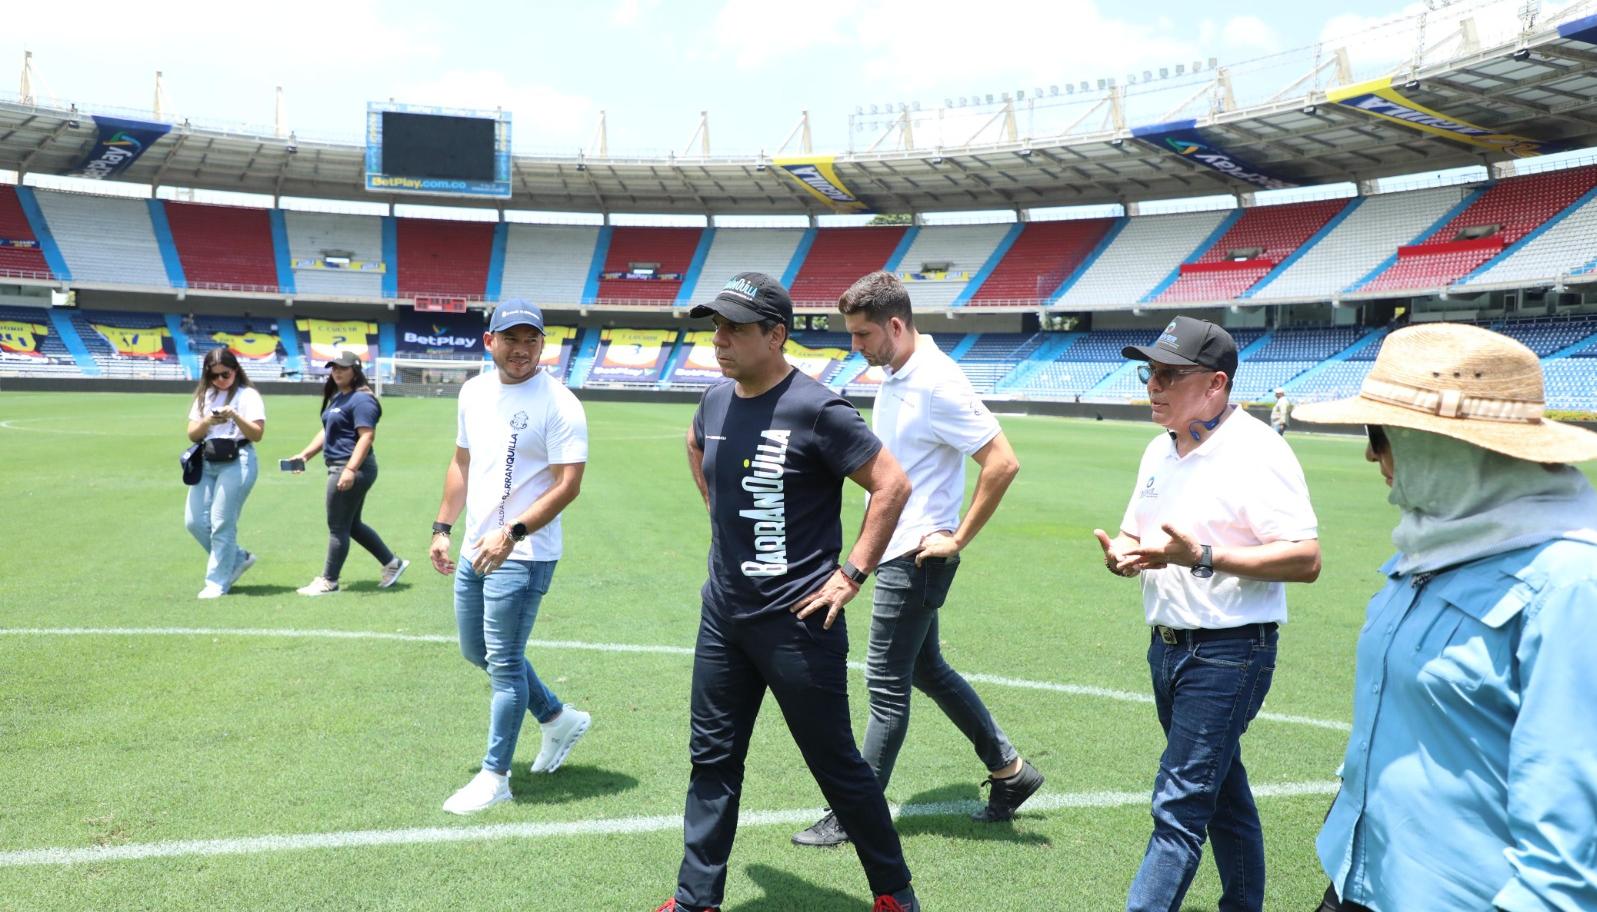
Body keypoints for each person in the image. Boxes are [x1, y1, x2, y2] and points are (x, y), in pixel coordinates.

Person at [1294, 322, 1597, 912]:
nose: (1369, 453)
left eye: (1379, 434)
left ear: (1445, 444)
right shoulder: (1437, 546)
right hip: (1361, 880)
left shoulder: (1570, 586)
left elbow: (1568, 852)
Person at [658, 273, 921, 912]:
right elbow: (695, 447)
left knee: (837, 766)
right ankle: (696, 901)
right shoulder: (715, 402)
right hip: (724, 616)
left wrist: (851, 573)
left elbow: (891, 486)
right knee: (712, 761)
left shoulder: (817, 408)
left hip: (799, 622)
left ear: (776, 335)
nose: (718, 340)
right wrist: (723, 519)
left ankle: (894, 893)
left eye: (735, 329)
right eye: (714, 327)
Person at [793, 271, 1040, 850]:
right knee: (927, 669)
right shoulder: (898, 373)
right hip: (897, 547)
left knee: (884, 686)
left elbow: (1002, 462)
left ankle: (856, 814)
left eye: (862, 335)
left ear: (895, 325)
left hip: (917, 556)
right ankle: (1011, 771)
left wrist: (958, 538)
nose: (855, 347)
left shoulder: (938, 383)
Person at [1092, 316, 1321, 912]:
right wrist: (1125, 553)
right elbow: (1134, 530)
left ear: (1216, 384)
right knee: (1222, 793)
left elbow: (1305, 558)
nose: (1153, 385)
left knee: (1180, 804)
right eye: (1150, 372)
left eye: (1169, 374)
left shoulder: (1257, 450)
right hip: (1166, 646)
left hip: (1229, 649)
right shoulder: (1157, 448)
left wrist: (1203, 556)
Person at [429, 300, 591, 815]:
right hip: (479, 545)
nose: (521, 350)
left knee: (502, 664)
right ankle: (557, 717)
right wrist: (442, 527)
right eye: (511, 339)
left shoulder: (560, 403)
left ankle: (495, 775)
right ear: (490, 341)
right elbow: (462, 461)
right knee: (477, 652)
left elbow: (570, 486)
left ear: (543, 344)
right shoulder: (473, 391)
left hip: (525, 553)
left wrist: (513, 534)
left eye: (531, 340)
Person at [286, 351, 408, 595]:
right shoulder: (341, 398)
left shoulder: (361, 400)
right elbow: (327, 431)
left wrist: (350, 469)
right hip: (343, 466)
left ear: (356, 370)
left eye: (342, 367)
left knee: (337, 526)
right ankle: (392, 563)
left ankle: (329, 581)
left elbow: (366, 436)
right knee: (351, 525)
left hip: (350, 467)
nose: (337, 371)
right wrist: (305, 455)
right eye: (333, 367)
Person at [184, 347, 266, 599]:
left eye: (225, 374)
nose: (220, 380)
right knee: (194, 522)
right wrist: (207, 421)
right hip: (207, 460)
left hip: (237, 460)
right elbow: (191, 434)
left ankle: (217, 582)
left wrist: (235, 416)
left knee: (222, 523)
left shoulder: (247, 395)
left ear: (236, 370)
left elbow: (257, 434)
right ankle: (238, 557)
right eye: (214, 375)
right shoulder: (205, 395)